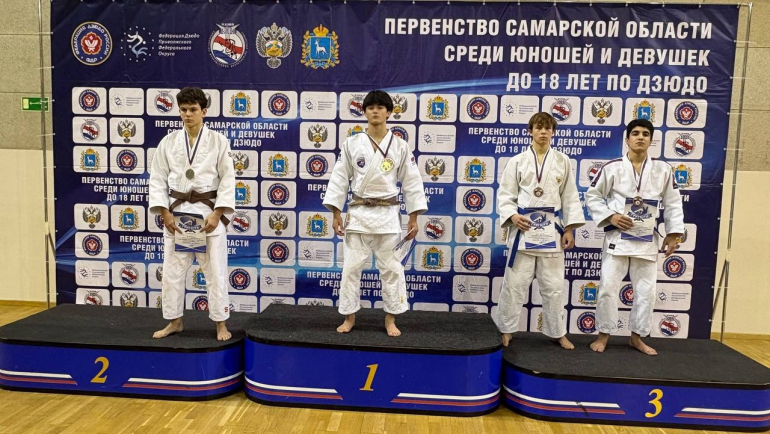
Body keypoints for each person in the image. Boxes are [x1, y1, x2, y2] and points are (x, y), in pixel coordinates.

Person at [323, 90, 427, 337]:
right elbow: (339, 179)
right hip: (358, 214)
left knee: (392, 269)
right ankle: (349, 316)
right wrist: (336, 213)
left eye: (381, 107)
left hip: (388, 215)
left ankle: (391, 318)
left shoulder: (400, 145)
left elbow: (412, 182)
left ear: (389, 112)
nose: (375, 111)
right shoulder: (352, 143)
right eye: (371, 107)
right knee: (350, 269)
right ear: (365, 112)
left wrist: (413, 217)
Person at [585, 119, 684, 356]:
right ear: (627, 139)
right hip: (618, 237)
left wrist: (673, 233)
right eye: (636, 133)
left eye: (645, 134)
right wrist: (611, 216)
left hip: (646, 238)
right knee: (608, 288)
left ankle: (637, 337)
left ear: (651, 140)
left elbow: (673, 203)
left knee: (646, 291)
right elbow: (593, 196)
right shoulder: (611, 168)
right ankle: (603, 334)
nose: (640, 137)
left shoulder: (663, 169)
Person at [149, 87, 236, 341]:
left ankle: (221, 323)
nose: (188, 114)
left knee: (215, 273)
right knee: (172, 273)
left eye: (193, 109)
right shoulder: (168, 142)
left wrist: (217, 214)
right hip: (177, 216)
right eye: (183, 110)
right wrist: (164, 212)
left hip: (207, 216)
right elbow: (157, 179)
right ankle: (174, 321)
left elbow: (228, 179)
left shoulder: (218, 141)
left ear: (204, 111)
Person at [496, 112, 585, 349]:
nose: (543, 132)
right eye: (539, 127)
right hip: (523, 232)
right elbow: (505, 195)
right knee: (514, 286)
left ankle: (557, 332)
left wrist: (569, 229)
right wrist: (512, 216)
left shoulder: (563, 161)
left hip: (551, 234)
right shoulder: (517, 161)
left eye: (548, 128)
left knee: (554, 288)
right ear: (530, 131)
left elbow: (570, 197)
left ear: (553, 132)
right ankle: (506, 330)